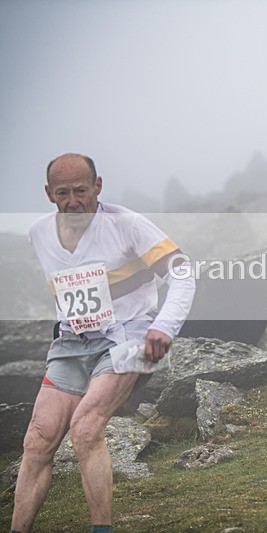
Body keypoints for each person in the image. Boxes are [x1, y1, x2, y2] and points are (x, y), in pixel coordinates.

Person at [10, 154, 196, 533]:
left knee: (85, 429)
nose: (73, 201)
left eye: (81, 190)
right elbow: (69, 291)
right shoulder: (39, 234)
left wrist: (164, 327)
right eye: (63, 193)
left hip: (131, 337)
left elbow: (183, 272)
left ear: (98, 186)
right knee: (38, 440)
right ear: (49, 194)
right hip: (72, 343)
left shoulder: (126, 225)